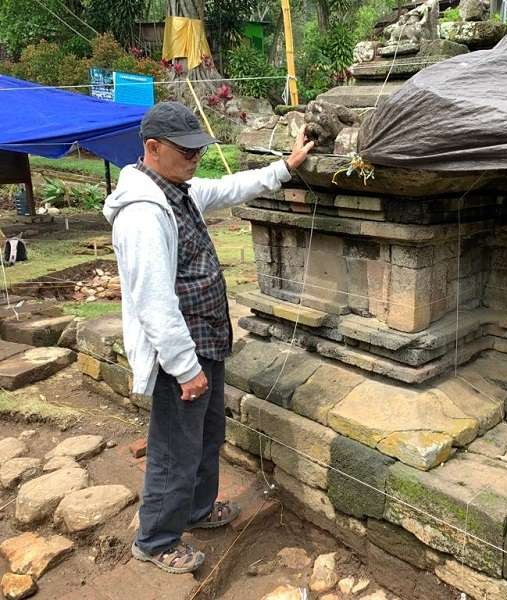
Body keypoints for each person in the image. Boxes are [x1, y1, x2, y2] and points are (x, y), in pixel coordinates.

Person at [103, 101, 314, 574]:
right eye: (187, 151)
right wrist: (185, 368)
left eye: (199, 149)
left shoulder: (178, 189)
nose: (196, 158)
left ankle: (198, 510)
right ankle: (156, 540)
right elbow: (153, 301)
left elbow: (228, 187)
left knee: (206, 437)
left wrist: (284, 168)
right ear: (153, 149)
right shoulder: (143, 212)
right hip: (181, 354)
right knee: (174, 450)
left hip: (207, 340)